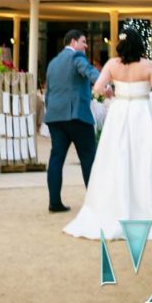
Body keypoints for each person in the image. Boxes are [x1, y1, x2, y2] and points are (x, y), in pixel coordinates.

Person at [63, 27, 152, 241]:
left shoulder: (111, 65)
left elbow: (98, 89)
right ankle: (147, 206)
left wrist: (111, 95)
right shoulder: (148, 66)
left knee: (116, 159)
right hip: (143, 114)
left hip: (119, 115)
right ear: (140, 45)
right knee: (146, 160)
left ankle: (115, 206)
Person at [44, 29, 106, 213]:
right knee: (88, 158)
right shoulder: (77, 57)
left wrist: (51, 112)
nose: (86, 46)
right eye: (83, 41)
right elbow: (88, 71)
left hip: (55, 117)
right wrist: (103, 84)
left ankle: (54, 202)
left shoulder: (53, 63)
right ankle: (95, 202)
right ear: (73, 42)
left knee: (56, 159)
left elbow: (48, 92)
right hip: (77, 116)